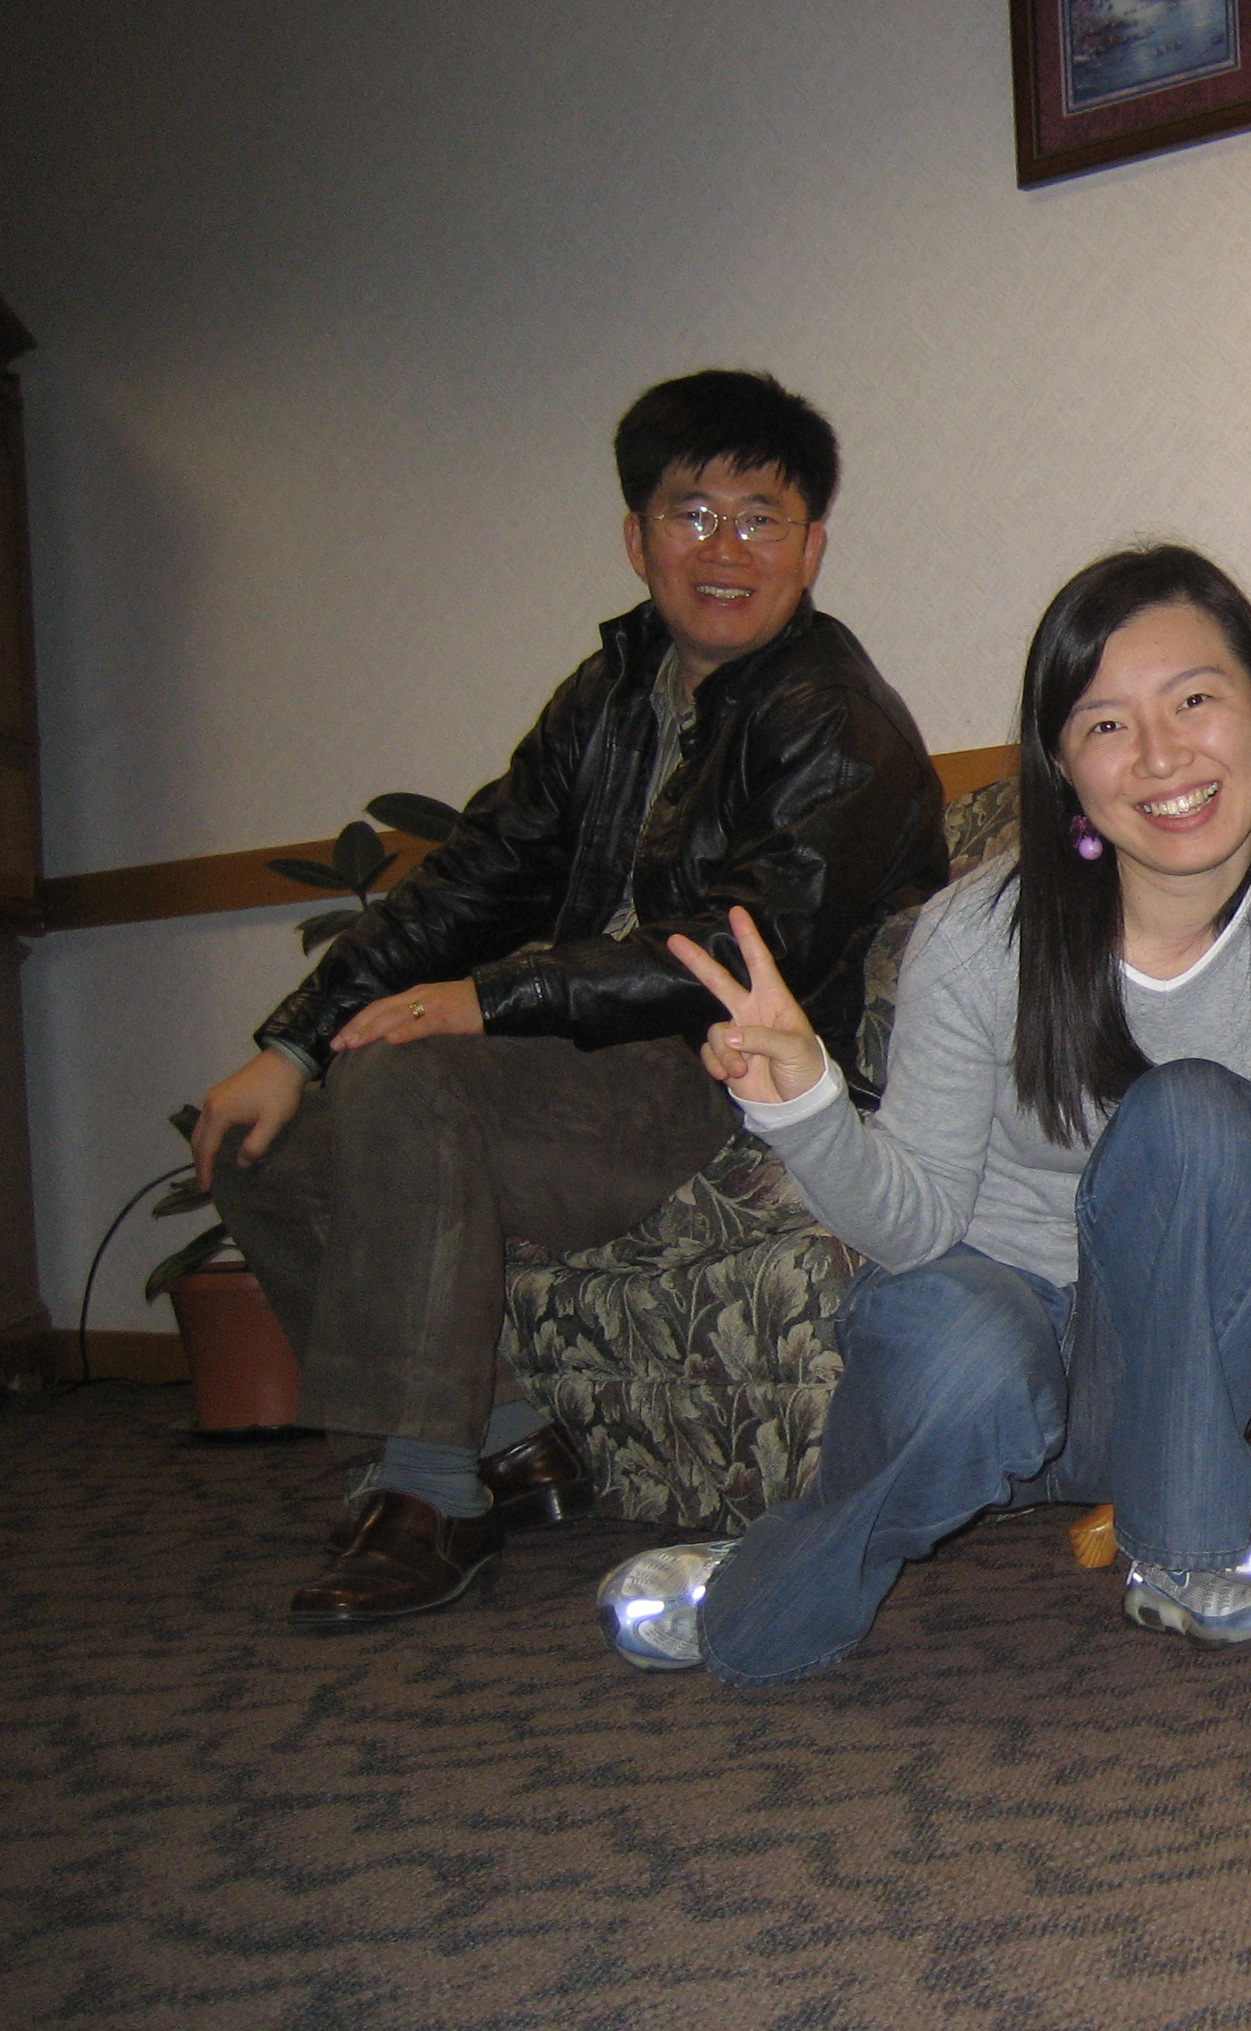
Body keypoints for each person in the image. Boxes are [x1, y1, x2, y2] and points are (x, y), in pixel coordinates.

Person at [593, 544, 1251, 1682]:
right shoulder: (981, 936)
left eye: (1194, 700)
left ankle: (1187, 1548)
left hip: (1167, 1388)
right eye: (1106, 724)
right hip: (979, 1364)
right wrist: (804, 1106)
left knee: (1197, 1113)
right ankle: (762, 1580)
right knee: (961, 1358)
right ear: (1062, 768)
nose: (1161, 756)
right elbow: (913, 1228)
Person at [198, 369, 950, 1628]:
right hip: (560, 1062)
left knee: (412, 1080)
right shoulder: (612, 694)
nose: (723, 549)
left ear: (810, 548)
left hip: (717, 1072)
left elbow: (740, 945)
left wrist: (494, 998)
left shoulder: (837, 719)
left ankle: (425, 1491)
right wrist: (292, 1044)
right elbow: (473, 876)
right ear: (636, 537)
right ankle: (508, 1436)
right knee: (261, 1143)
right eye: (690, 513)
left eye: (759, 519)